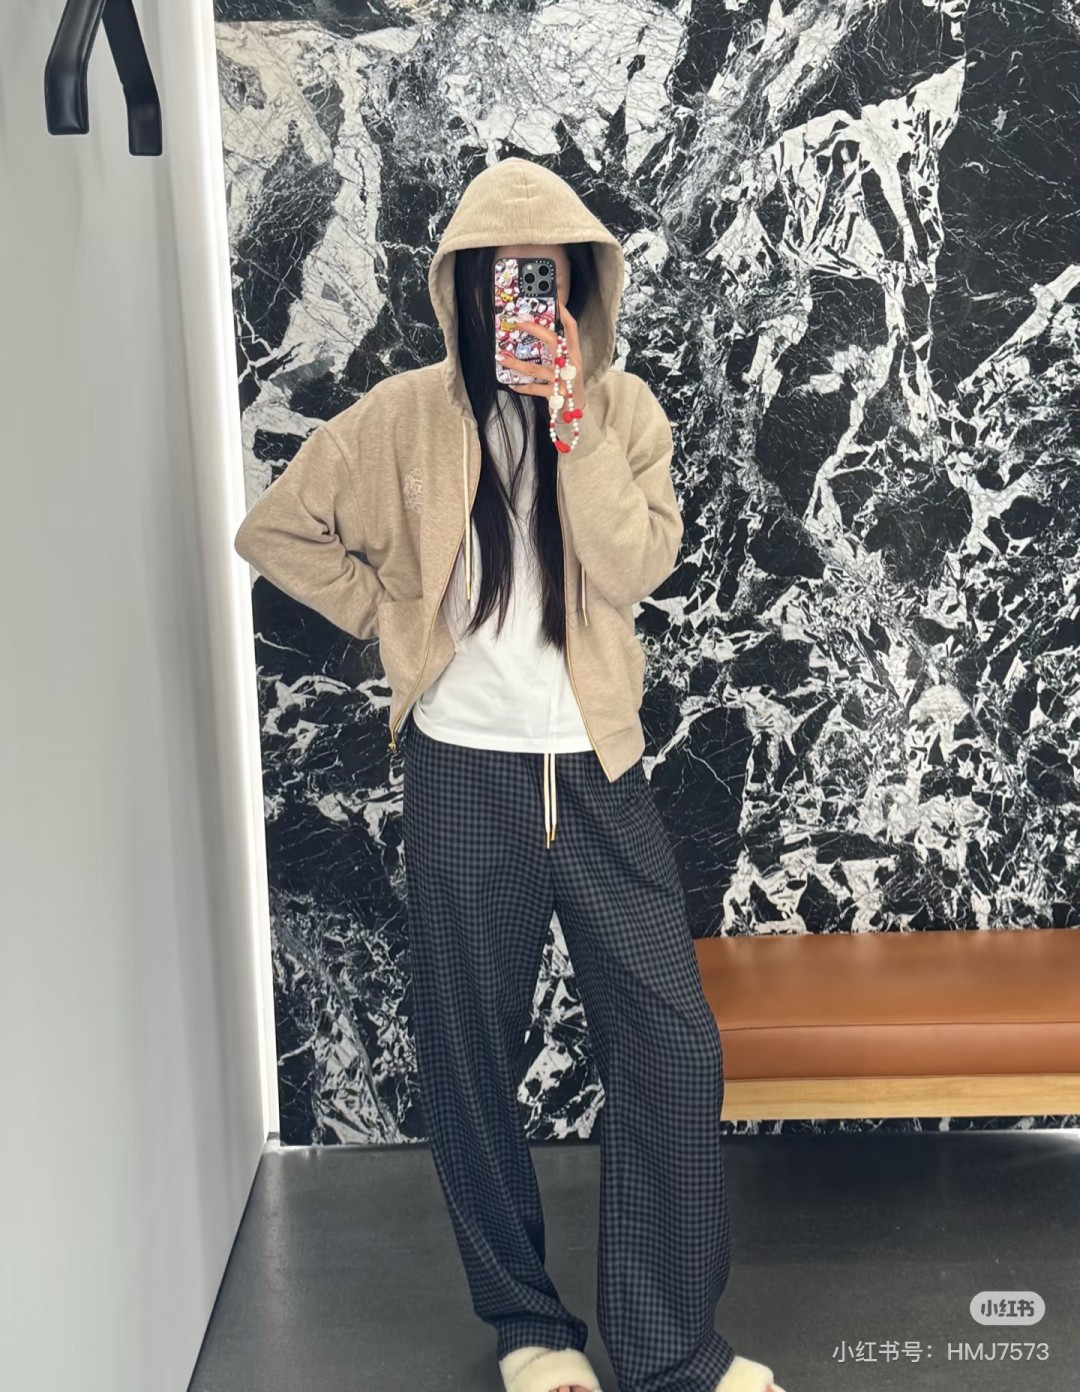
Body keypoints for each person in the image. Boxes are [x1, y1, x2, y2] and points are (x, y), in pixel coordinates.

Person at [233, 156, 786, 1392]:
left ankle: (668, 1349)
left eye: (544, 281)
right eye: (496, 282)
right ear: (461, 293)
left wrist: (575, 427)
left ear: (581, 290)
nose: (519, 305)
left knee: (671, 1049)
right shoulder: (402, 417)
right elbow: (274, 529)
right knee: (468, 1055)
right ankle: (529, 1329)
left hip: (598, 772)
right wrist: (394, 623)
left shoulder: (626, 411)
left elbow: (635, 569)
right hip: (463, 774)